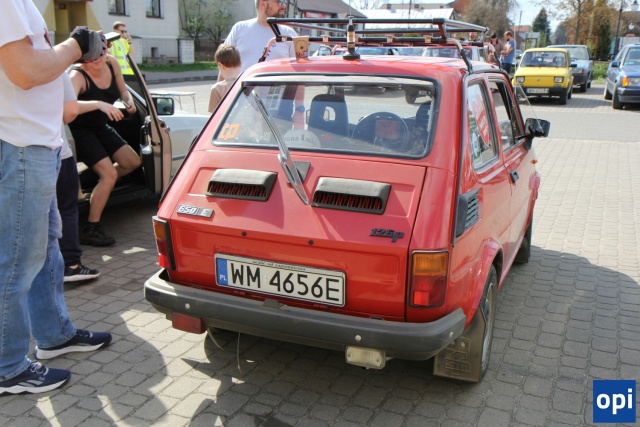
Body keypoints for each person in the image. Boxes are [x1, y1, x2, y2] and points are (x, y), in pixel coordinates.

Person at [0, 1, 111, 396]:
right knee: (16, 260)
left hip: (35, 146)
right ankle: (7, 366)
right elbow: (26, 71)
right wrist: (75, 45)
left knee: (45, 250)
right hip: (21, 146)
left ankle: (53, 334)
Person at [68, 36, 142, 247]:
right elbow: (68, 107)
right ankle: (91, 227)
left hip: (100, 126)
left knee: (132, 162)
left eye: (100, 54)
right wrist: (99, 104)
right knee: (109, 174)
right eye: (90, 58)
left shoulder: (111, 63)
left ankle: (98, 184)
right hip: (80, 131)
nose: (96, 60)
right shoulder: (77, 75)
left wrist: (128, 101)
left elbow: (123, 89)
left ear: (105, 51)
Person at [58, 73, 100, 282]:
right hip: (54, 149)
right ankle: (71, 265)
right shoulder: (56, 70)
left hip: (10, 151)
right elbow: (70, 111)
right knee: (66, 208)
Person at [222, 0, 297, 78]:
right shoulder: (239, 29)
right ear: (263, 3)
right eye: (280, 1)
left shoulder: (289, 34)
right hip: (243, 86)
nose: (284, 6)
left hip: (279, 86)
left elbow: (298, 72)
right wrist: (220, 85)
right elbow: (224, 65)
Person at [208, 44, 242, 113]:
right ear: (240, 64)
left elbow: (214, 116)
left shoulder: (217, 89)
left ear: (220, 65)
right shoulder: (250, 84)